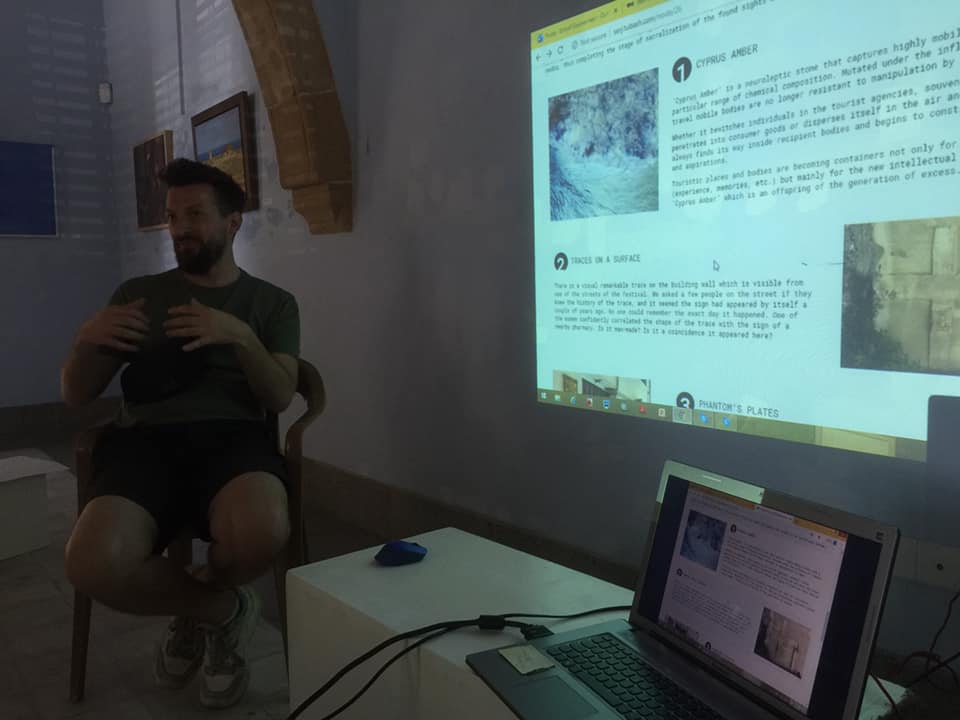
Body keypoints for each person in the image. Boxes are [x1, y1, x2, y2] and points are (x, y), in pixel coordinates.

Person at [62, 158, 300, 709]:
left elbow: (280, 396)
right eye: (172, 216)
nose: (180, 228)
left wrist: (241, 337)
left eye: (195, 214)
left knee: (264, 530)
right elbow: (77, 393)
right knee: (90, 562)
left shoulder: (273, 303)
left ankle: (198, 609)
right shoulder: (139, 293)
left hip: (233, 439)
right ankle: (219, 611)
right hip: (145, 442)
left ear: (233, 223)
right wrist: (86, 340)